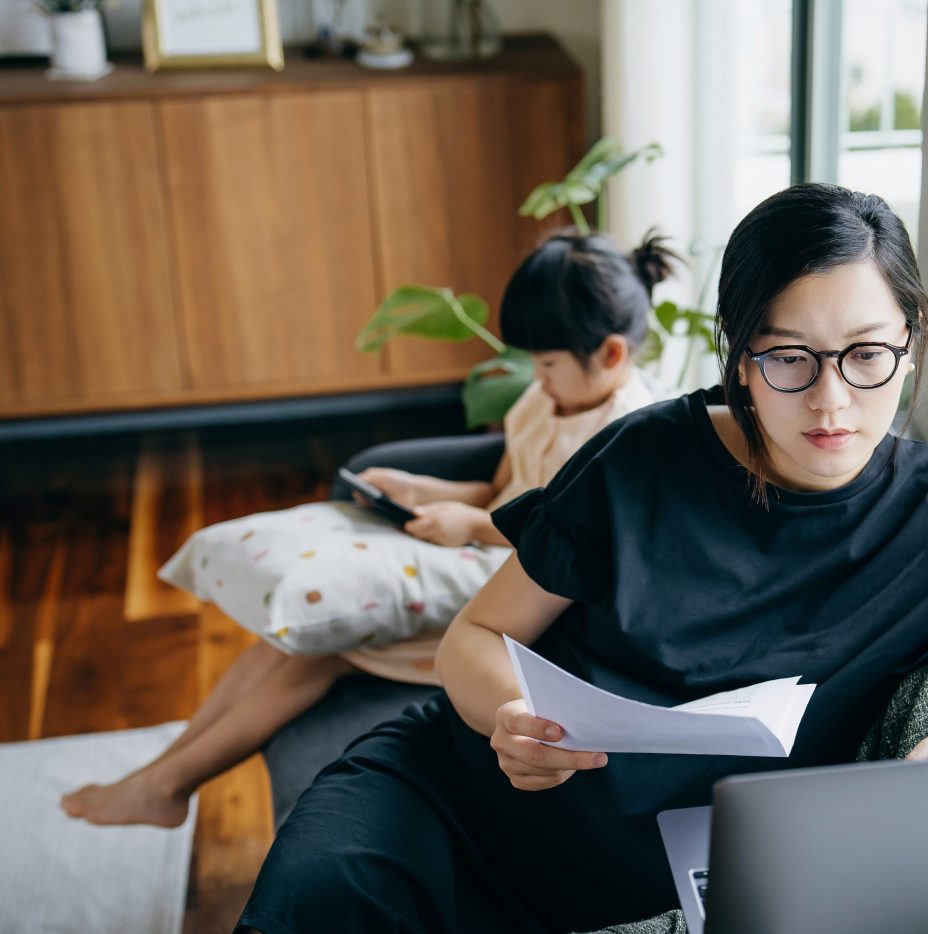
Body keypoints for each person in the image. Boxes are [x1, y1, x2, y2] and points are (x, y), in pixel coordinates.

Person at [223, 184, 928, 934]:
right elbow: (475, 638)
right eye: (786, 357)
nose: (831, 402)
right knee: (295, 928)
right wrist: (507, 720)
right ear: (738, 355)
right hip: (464, 800)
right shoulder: (644, 460)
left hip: (656, 886)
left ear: (910, 341)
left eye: (866, 355)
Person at [58, 230, 677, 830]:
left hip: (521, 600)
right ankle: (160, 775)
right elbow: (498, 491)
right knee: (284, 641)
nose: (535, 377)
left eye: (545, 363)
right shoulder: (546, 401)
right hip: (474, 553)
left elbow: (572, 548)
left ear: (612, 355)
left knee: (316, 653)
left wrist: (473, 527)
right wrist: (416, 490)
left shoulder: (622, 439)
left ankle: (166, 786)